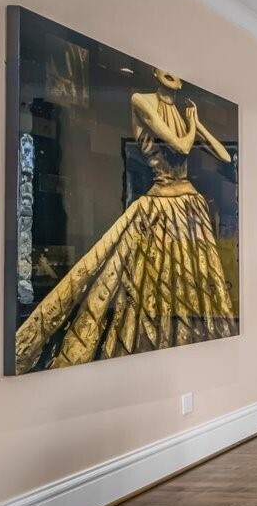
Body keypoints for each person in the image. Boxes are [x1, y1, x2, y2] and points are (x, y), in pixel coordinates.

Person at [15, 69, 237, 374]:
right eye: (163, 69)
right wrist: (191, 127)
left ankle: (192, 364)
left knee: (193, 290)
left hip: (191, 210)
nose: (171, 74)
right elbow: (182, 147)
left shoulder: (183, 114)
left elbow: (224, 157)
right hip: (161, 207)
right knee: (144, 285)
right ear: (155, 72)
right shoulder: (140, 100)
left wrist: (196, 124)